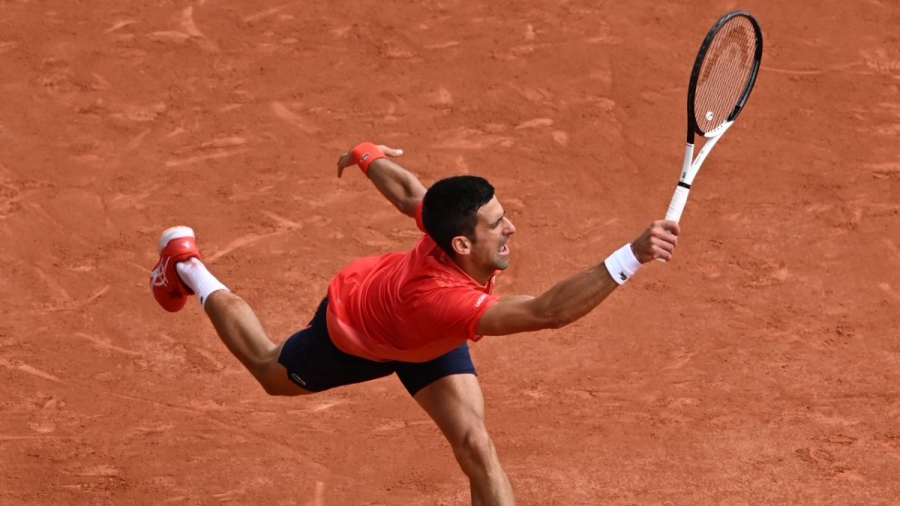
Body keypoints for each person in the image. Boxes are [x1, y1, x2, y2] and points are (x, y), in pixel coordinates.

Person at [149, 142, 680, 506]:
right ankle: (186, 266)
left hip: (427, 340)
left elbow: (409, 194)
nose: (510, 227)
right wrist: (631, 256)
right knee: (270, 370)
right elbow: (548, 313)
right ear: (462, 245)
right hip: (358, 329)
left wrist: (366, 155)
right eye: (497, 225)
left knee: (475, 444)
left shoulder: (447, 227)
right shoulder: (445, 300)